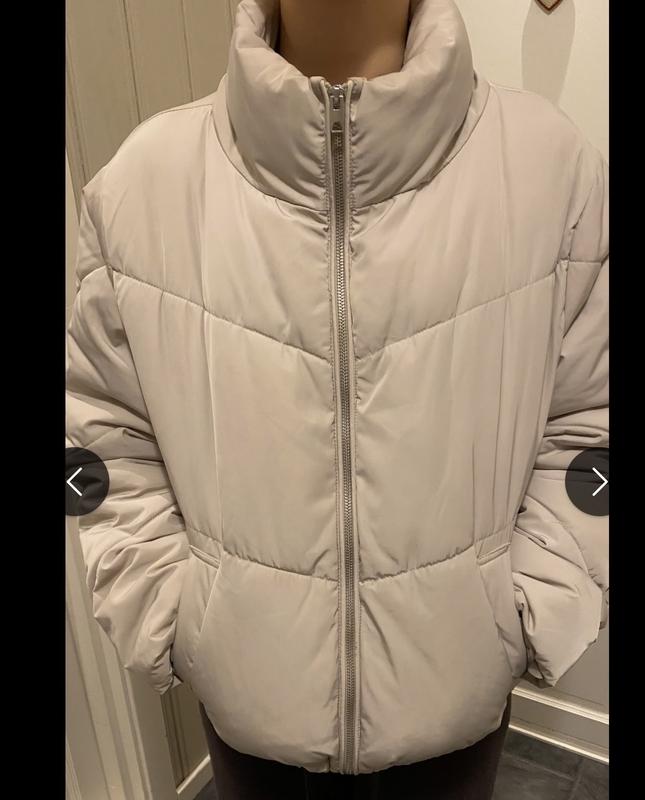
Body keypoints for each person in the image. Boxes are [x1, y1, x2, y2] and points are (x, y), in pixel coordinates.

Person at [66, 0, 609, 797]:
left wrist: (525, 612)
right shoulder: (141, 187)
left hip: (456, 718)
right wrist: (175, 620)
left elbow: (589, 422)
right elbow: (102, 440)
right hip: (249, 722)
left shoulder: (552, 172)